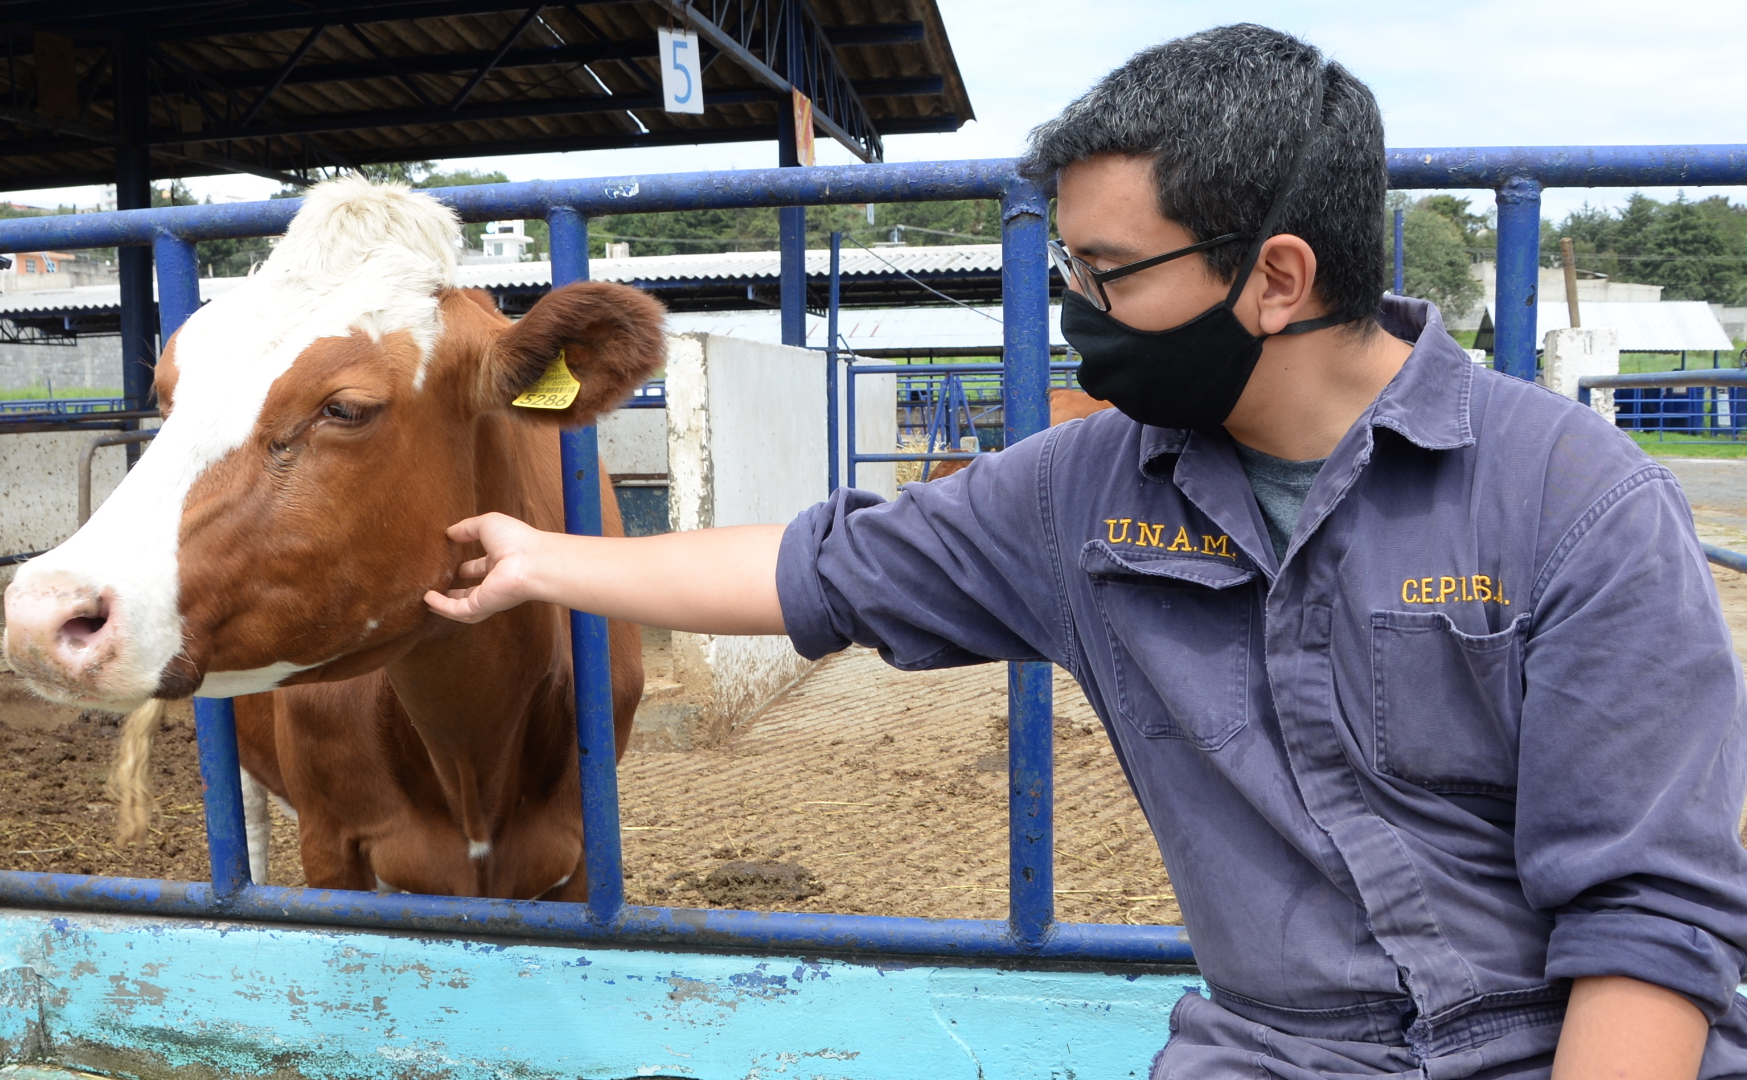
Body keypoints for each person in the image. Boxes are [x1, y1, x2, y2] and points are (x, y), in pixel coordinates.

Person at [425, 24, 1747, 1080]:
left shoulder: (1574, 502)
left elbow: (1650, 923)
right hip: (1279, 1052)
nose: (1078, 315)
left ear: (1276, 280)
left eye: (1108, 275)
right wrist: (543, 562)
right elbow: (821, 570)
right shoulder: (1087, 493)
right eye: (1066, 268)